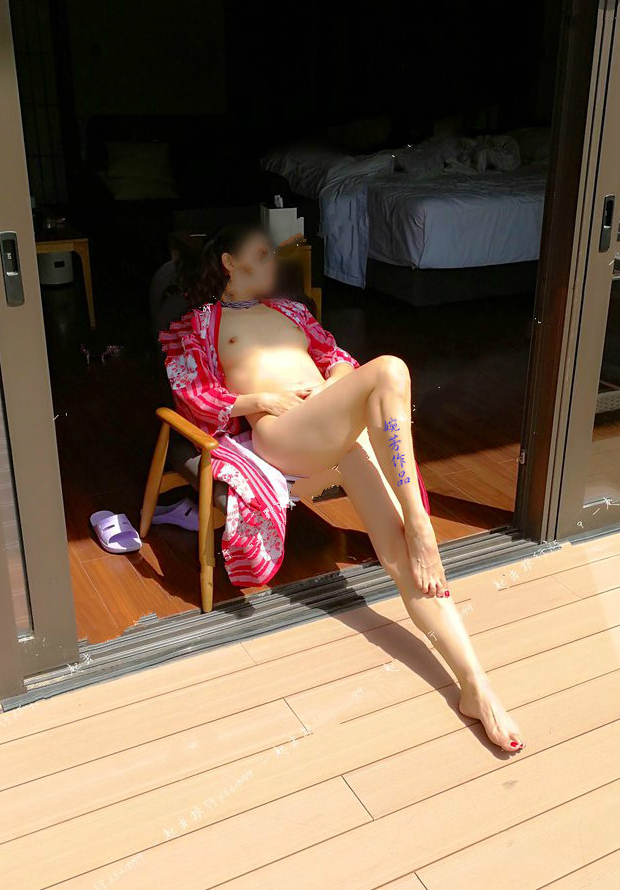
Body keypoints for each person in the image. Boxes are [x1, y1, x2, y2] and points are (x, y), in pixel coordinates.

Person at [166, 223, 525, 754]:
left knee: (403, 554)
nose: (273, 263)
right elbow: (192, 393)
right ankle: (422, 523)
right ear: (228, 263)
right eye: (261, 254)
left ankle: (476, 686)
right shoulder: (201, 323)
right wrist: (260, 400)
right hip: (282, 433)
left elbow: (338, 360)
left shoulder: (291, 312)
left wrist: (331, 385)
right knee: (390, 371)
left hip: (331, 427)